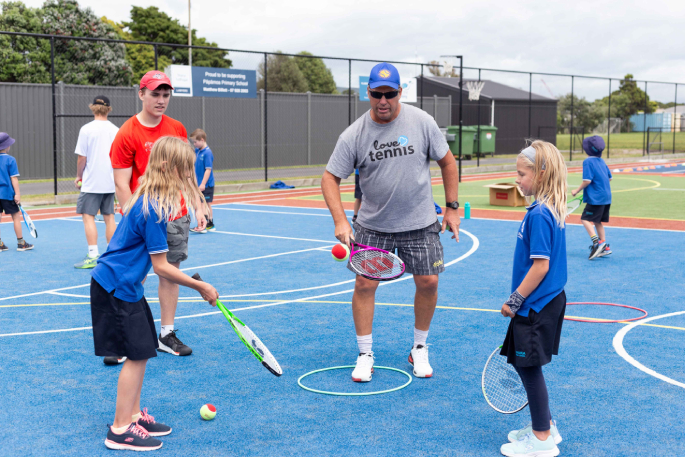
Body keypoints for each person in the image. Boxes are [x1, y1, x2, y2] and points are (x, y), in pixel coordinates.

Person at [321, 62, 461, 382]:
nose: (383, 100)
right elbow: (330, 178)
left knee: (428, 282)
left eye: (390, 93)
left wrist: (452, 208)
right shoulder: (353, 134)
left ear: (400, 92)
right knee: (365, 284)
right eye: (376, 94)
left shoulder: (422, 122)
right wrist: (341, 221)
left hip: (421, 221)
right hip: (373, 224)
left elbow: (448, 162)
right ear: (367, 93)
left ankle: (419, 348)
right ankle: (365, 353)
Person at [92, 136, 219, 451]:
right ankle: (120, 430)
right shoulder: (153, 207)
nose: (189, 175)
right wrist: (201, 285)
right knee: (135, 355)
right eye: (185, 169)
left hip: (126, 285)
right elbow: (161, 267)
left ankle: (133, 415)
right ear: (167, 166)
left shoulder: (151, 197)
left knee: (144, 348)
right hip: (115, 287)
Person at [110, 70, 206, 362]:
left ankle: (166, 334)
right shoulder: (127, 133)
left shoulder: (176, 127)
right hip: (145, 215)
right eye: (155, 94)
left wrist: (198, 204)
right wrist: (132, 220)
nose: (161, 100)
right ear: (141, 94)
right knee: (133, 275)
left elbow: (185, 171)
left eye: (166, 94)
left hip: (175, 213)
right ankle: (124, 339)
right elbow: (121, 184)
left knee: (170, 273)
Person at [499, 141, 567, 457]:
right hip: (541, 302)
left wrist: (515, 300)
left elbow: (541, 266)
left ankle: (541, 440)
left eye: (521, 174)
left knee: (528, 367)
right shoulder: (546, 208)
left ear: (540, 173)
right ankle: (546, 424)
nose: (518, 179)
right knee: (525, 363)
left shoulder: (540, 214)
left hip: (535, 305)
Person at [73, 95, 119, 269]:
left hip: (92, 182)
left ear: (92, 107)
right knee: (109, 217)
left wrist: (79, 176)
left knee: (88, 217)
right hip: (110, 181)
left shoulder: (86, 129)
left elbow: (81, 158)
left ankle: (93, 254)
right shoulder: (116, 129)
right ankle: (113, 254)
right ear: (109, 109)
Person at [571, 135, 612, 260]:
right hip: (606, 197)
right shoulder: (602, 161)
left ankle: (596, 243)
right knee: (597, 221)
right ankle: (604, 245)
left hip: (597, 198)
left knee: (585, 219)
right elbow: (609, 178)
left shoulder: (588, 162)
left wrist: (576, 190)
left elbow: (587, 180)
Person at [0, 132, 33, 252]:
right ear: (7, 146)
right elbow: (14, 178)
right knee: (16, 217)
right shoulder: (10, 160)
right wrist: (17, 194)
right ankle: (21, 243)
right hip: (7, 194)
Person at [190, 129, 215, 233]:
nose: (194, 144)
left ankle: (208, 224)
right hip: (198, 183)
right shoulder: (197, 151)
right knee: (200, 203)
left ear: (202, 140)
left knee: (205, 204)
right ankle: (204, 223)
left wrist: (203, 183)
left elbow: (208, 170)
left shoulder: (207, 153)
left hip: (206, 184)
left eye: (195, 142)